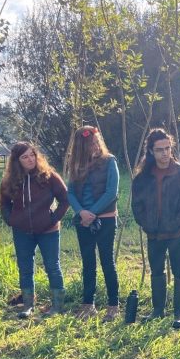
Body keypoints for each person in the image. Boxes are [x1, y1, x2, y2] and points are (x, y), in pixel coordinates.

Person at [131, 128, 180, 328]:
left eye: (168, 148)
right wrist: (147, 224)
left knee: (179, 272)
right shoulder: (142, 177)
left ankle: (179, 313)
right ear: (151, 151)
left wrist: (177, 223)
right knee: (157, 272)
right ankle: (158, 311)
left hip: (176, 232)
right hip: (153, 234)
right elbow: (137, 206)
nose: (165, 153)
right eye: (160, 149)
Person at [0, 142, 70, 319]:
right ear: (17, 161)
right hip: (22, 231)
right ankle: (28, 305)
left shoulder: (49, 176)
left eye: (32, 155)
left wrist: (53, 219)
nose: (30, 159)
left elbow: (65, 199)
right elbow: (4, 204)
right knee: (25, 268)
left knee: (52, 266)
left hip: (48, 231)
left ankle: (57, 305)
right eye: (25, 157)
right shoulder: (10, 180)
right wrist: (11, 220)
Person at [65, 126, 120, 321]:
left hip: (104, 218)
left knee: (107, 262)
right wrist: (81, 212)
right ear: (81, 147)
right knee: (88, 263)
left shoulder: (109, 161)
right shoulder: (76, 164)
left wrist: (93, 213)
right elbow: (70, 192)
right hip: (83, 220)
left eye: (97, 142)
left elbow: (111, 192)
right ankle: (88, 304)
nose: (96, 147)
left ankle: (113, 305)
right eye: (91, 144)